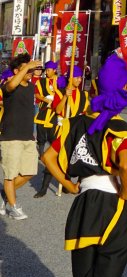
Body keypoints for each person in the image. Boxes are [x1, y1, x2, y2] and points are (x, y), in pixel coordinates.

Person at [41, 52, 127, 277]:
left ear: (96, 84)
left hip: (83, 202)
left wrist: (67, 182)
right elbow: (123, 163)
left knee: (82, 275)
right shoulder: (118, 124)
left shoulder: (75, 122)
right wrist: (126, 191)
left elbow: (48, 156)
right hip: (112, 207)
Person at [36, 65, 91, 198]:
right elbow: (57, 110)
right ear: (70, 78)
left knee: (72, 158)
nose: (79, 80)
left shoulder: (84, 94)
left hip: (75, 130)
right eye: (76, 77)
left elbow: (86, 112)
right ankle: (44, 187)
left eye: (80, 77)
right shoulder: (60, 92)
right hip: (61, 130)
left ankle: (66, 184)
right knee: (53, 158)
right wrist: (65, 97)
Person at [0, 53, 42, 220]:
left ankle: (4, 194)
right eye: (27, 69)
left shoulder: (31, 87)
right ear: (17, 70)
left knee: (30, 172)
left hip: (28, 137)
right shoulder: (8, 85)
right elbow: (11, 86)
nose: (31, 72)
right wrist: (26, 66)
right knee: (10, 174)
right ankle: (14, 206)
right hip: (11, 137)